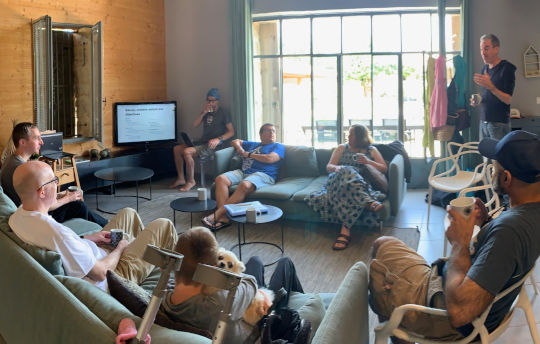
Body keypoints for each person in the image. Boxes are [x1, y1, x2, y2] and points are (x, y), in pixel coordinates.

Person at [369, 130, 540, 341]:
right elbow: (500, 256)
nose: (491, 169)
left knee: (377, 268)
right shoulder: (530, 214)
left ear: (507, 178)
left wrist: (460, 242)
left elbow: (460, 313)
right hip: (462, 285)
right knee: (384, 244)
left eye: (494, 165)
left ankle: (400, 330)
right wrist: (486, 223)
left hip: (447, 314)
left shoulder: (509, 232)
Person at [8, 160, 178, 291]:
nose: (57, 184)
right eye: (54, 180)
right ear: (42, 192)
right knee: (164, 225)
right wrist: (119, 249)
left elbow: (60, 245)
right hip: (112, 277)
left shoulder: (18, 216)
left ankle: (140, 255)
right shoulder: (58, 233)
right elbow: (100, 273)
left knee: (129, 214)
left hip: (95, 253)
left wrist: (89, 238)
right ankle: (175, 282)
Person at [161, 226, 304, 343]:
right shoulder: (220, 303)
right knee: (286, 264)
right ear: (213, 268)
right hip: (257, 322)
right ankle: (300, 315)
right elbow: (250, 282)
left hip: (239, 306)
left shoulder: (164, 294)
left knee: (255, 261)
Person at [0, 122, 108, 227]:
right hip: (33, 218)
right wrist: (68, 198)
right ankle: (102, 228)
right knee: (78, 206)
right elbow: (40, 206)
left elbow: (36, 196)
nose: (41, 142)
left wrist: (61, 195)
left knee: (76, 202)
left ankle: (103, 225)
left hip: (25, 213)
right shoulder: (21, 169)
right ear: (22, 142)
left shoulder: (9, 161)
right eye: (37, 138)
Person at [305, 124, 387, 251]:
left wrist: (368, 162)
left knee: (349, 192)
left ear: (360, 137)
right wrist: (337, 168)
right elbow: (329, 166)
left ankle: (345, 232)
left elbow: (384, 168)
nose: (347, 136)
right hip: (337, 181)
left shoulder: (371, 150)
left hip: (359, 185)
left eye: (351, 134)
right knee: (347, 170)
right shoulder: (341, 148)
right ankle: (367, 201)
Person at [201, 123, 284, 231]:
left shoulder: (278, 146)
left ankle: (216, 215)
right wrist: (239, 148)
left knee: (244, 185)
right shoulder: (253, 144)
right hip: (243, 172)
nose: (272, 133)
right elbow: (235, 141)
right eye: (268, 130)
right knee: (220, 179)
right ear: (261, 134)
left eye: (273, 131)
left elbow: (270, 159)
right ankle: (224, 218)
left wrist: (249, 155)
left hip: (264, 174)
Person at [169, 88, 235, 192]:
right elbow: (195, 125)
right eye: (209, 100)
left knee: (187, 152)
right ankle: (181, 178)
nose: (211, 103)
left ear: (218, 100)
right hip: (202, 142)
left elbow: (231, 131)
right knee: (177, 148)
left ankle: (191, 181)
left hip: (214, 145)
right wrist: (203, 113)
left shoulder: (223, 113)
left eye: (213, 100)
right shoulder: (206, 112)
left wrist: (219, 139)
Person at [471, 34, 516, 140]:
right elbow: (490, 95)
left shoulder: (507, 68)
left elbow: (508, 99)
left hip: (499, 124)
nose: (483, 52)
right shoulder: (485, 69)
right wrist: (478, 100)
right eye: (481, 49)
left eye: (486, 48)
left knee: (498, 157)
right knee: (485, 156)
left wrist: (491, 87)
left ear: (496, 49)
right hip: (483, 122)